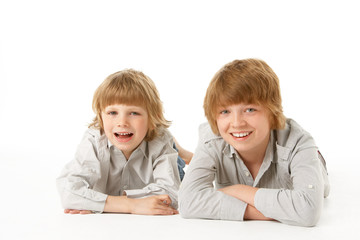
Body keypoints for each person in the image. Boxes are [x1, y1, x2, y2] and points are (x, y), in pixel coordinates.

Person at [178, 58, 330, 226]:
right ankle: (194, 157)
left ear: (272, 112)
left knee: (322, 187)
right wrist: (269, 213)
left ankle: (315, 157)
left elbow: (308, 210)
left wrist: (237, 191)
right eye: (225, 111)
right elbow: (187, 202)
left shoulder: (297, 141)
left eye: (250, 110)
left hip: (309, 159)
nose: (237, 123)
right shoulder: (211, 139)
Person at [57, 69, 186, 215]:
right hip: (143, 136)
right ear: (101, 117)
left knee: (176, 162)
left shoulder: (160, 142)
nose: (122, 122)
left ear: (151, 119)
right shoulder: (93, 140)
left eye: (133, 113)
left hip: (156, 142)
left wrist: (97, 203)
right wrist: (131, 205)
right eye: (112, 113)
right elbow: (69, 192)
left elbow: (172, 195)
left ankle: (178, 149)